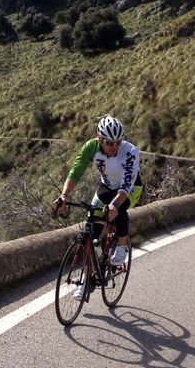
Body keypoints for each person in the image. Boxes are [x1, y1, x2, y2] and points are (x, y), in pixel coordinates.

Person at [53, 115, 144, 270]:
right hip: (107, 186)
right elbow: (76, 171)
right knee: (90, 230)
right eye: (110, 143)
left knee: (119, 209)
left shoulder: (130, 152)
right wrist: (64, 195)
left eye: (118, 142)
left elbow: (127, 183)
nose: (115, 147)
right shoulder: (91, 147)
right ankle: (89, 277)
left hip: (131, 189)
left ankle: (122, 246)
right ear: (100, 139)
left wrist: (114, 205)